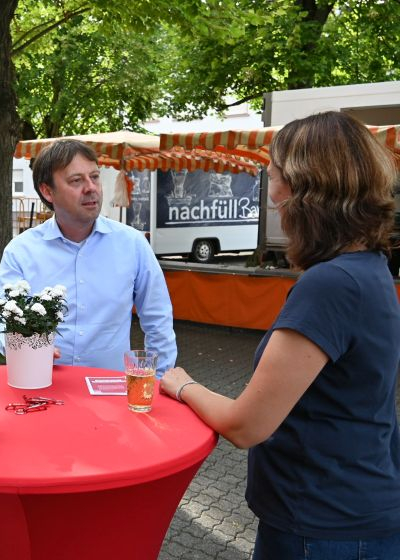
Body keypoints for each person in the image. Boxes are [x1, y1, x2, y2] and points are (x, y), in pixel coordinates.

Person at [161, 111, 400, 558]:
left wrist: (182, 384)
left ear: (304, 188)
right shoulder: (369, 267)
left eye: (272, 175)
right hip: (353, 512)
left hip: (323, 524)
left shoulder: (330, 284)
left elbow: (246, 424)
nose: (270, 193)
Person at [0, 139, 177, 374]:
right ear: (48, 191)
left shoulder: (132, 245)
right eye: (76, 180)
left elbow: (158, 321)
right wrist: (26, 349)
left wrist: (158, 381)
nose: (91, 187)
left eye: (95, 177)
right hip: (43, 389)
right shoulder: (21, 251)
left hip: (112, 395)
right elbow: (1, 321)